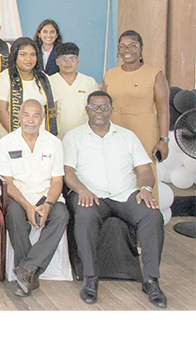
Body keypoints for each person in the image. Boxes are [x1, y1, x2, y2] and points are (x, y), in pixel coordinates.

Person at [62, 90, 166, 308]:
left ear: (111, 110)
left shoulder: (127, 136)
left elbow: (145, 169)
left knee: (152, 215)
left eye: (104, 107)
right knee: (84, 215)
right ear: (86, 109)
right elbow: (68, 172)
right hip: (91, 195)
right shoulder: (73, 136)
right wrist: (81, 190)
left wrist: (145, 188)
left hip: (125, 194)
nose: (99, 111)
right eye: (94, 107)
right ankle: (90, 279)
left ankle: (151, 280)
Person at [0, 99, 68, 298]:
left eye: (36, 115)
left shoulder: (54, 143)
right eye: (26, 115)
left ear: (42, 118)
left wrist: (49, 204)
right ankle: (30, 274)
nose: (31, 120)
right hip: (17, 196)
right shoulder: (6, 143)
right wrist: (27, 205)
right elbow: (6, 182)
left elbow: (57, 181)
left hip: (46, 196)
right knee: (15, 217)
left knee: (61, 215)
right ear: (18, 116)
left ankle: (26, 269)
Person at [102, 30, 170, 201]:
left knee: (145, 170)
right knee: (116, 168)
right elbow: (103, 106)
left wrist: (164, 140)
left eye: (133, 45)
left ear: (141, 48)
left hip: (144, 129)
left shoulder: (155, 74)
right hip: (115, 127)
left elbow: (163, 110)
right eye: (123, 46)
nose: (128, 50)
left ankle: (149, 215)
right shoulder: (110, 74)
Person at [0, 37, 58, 146]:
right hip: (10, 137)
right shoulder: (4, 78)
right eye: (23, 54)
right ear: (15, 56)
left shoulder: (44, 78)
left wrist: (43, 135)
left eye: (32, 54)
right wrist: (22, 137)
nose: (29, 59)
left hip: (39, 138)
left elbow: (52, 107)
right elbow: (0, 110)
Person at [47, 42, 99, 140]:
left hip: (85, 137)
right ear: (57, 61)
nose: (68, 62)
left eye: (72, 58)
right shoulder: (49, 82)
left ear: (78, 61)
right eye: (63, 58)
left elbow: (96, 110)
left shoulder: (89, 82)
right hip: (57, 137)